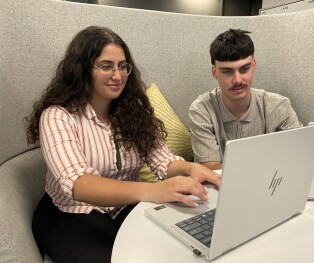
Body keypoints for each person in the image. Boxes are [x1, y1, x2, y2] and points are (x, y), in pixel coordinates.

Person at [25, 26, 220, 263]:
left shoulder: (134, 112)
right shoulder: (57, 116)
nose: (117, 76)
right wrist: (154, 191)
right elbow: (79, 184)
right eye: (106, 66)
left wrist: (190, 169)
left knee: (178, 249)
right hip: (70, 213)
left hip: (125, 209)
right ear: (83, 69)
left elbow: (163, 161)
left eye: (122, 66)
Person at [189, 29, 302, 170]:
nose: (237, 80)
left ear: (254, 66)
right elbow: (211, 170)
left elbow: (297, 157)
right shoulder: (202, 110)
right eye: (227, 72)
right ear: (214, 72)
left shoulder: (280, 107)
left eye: (244, 69)